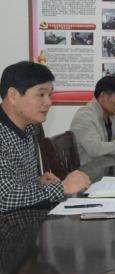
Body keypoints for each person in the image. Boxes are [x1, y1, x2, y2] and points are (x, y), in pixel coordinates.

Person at [0, 61, 89, 212]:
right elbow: (4, 198)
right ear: (13, 95)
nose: (48, 102)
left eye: (50, 94)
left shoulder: (30, 128)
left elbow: (12, 184)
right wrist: (62, 187)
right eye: (41, 94)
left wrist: (37, 183)